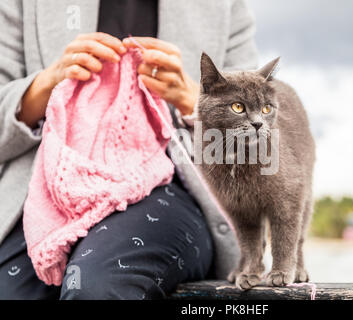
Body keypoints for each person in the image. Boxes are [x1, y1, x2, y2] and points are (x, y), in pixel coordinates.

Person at [0, 0, 259, 299]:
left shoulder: (225, 7)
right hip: (45, 191)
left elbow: (257, 148)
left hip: (170, 190)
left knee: (98, 286)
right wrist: (48, 82)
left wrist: (194, 100)